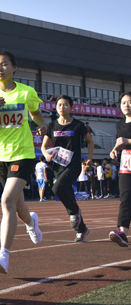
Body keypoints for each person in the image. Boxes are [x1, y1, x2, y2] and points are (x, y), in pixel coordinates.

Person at [0, 50, 46, 274]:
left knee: (6, 201)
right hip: (0, 158)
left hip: (23, 154)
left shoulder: (26, 92)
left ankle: (3, 254)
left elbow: (35, 113)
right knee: (18, 206)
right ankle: (31, 222)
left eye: (4, 64)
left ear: (14, 67)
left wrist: (42, 125)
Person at [41, 95, 94, 242]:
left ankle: (75, 212)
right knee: (68, 195)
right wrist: (46, 155)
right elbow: (44, 146)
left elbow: (90, 142)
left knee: (57, 188)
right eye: (59, 105)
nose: (62, 107)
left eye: (65, 105)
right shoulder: (51, 126)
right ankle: (81, 230)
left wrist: (89, 158)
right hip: (58, 165)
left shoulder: (78, 125)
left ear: (71, 107)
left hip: (74, 164)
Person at [109, 92, 131, 247]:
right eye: (123, 103)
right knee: (125, 197)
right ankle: (122, 233)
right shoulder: (120, 124)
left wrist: (127, 140)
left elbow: (125, 140)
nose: (126, 105)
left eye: (129, 102)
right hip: (126, 163)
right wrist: (114, 150)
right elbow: (120, 142)